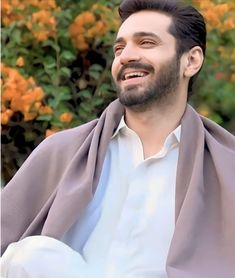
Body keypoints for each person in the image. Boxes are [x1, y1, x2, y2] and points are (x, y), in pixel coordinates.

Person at [1, 0, 235, 277]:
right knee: (31, 255)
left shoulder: (227, 168)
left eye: (146, 42)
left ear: (191, 61)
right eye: (119, 48)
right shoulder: (59, 153)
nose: (125, 56)